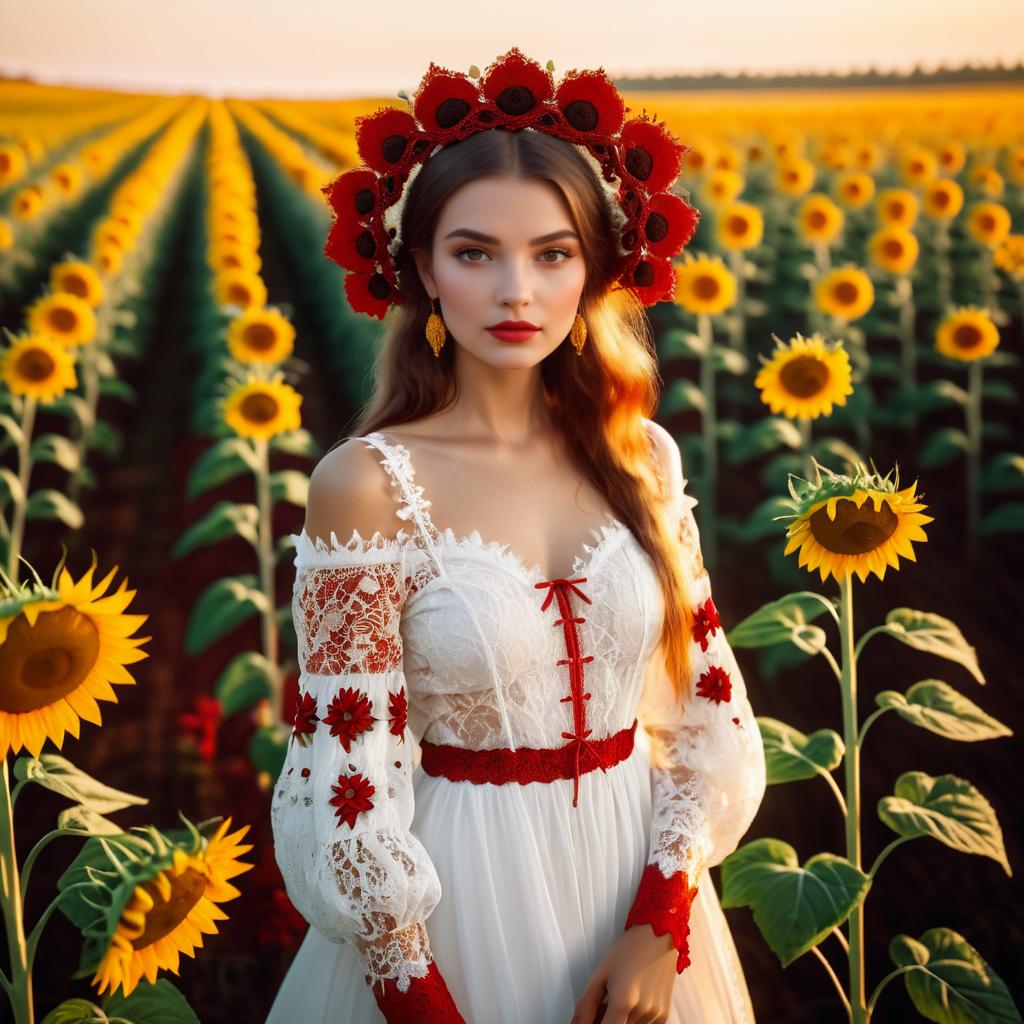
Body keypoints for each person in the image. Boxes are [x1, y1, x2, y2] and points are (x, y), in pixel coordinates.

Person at [267, 48, 766, 1024]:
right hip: (456, 911)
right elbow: (346, 778)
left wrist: (660, 923)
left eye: (551, 253)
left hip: (640, 894)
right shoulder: (366, 486)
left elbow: (710, 709)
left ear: (594, 269)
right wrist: (417, 997)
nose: (515, 292)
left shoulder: (642, 459)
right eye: (473, 252)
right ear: (419, 270)